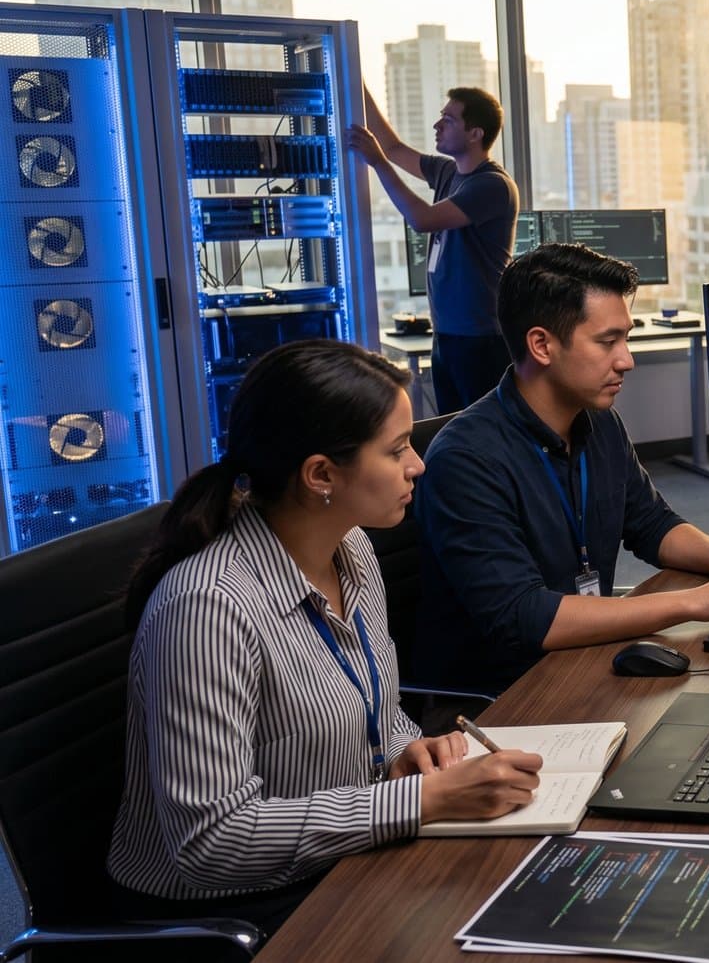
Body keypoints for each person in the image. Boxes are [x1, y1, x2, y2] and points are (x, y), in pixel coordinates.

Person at [109, 341, 544, 935]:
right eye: (396, 451)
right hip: (230, 910)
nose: (417, 464)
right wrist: (420, 802)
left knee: (526, 890)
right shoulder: (208, 608)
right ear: (320, 475)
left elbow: (377, 710)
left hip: (341, 859)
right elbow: (212, 841)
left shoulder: (351, 547)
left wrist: (406, 750)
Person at [413, 242, 709, 695]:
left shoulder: (597, 421)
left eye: (626, 338)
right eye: (608, 342)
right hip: (501, 699)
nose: (627, 360)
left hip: (580, 659)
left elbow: (650, 523)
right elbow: (525, 618)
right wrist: (697, 601)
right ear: (541, 344)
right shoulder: (465, 460)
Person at [349, 85, 519, 414]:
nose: (437, 126)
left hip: (480, 338)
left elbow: (422, 218)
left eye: (448, 120)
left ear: (475, 134)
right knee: (452, 431)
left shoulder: (491, 185)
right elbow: (393, 147)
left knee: (481, 435)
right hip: (448, 334)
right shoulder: (447, 172)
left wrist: (378, 164)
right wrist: (356, 82)